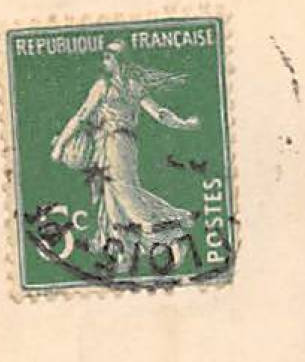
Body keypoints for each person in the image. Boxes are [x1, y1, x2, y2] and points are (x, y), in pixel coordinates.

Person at [50, 40, 202, 255]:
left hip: (114, 142)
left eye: (107, 57)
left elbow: (81, 116)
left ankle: (161, 228)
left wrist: (60, 145)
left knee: (123, 191)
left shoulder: (104, 86)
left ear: (117, 60)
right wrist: (183, 123)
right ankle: (121, 244)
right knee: (116, 191)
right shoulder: (133, 86)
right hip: (127, 144)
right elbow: (159, 113)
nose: (104, 62)